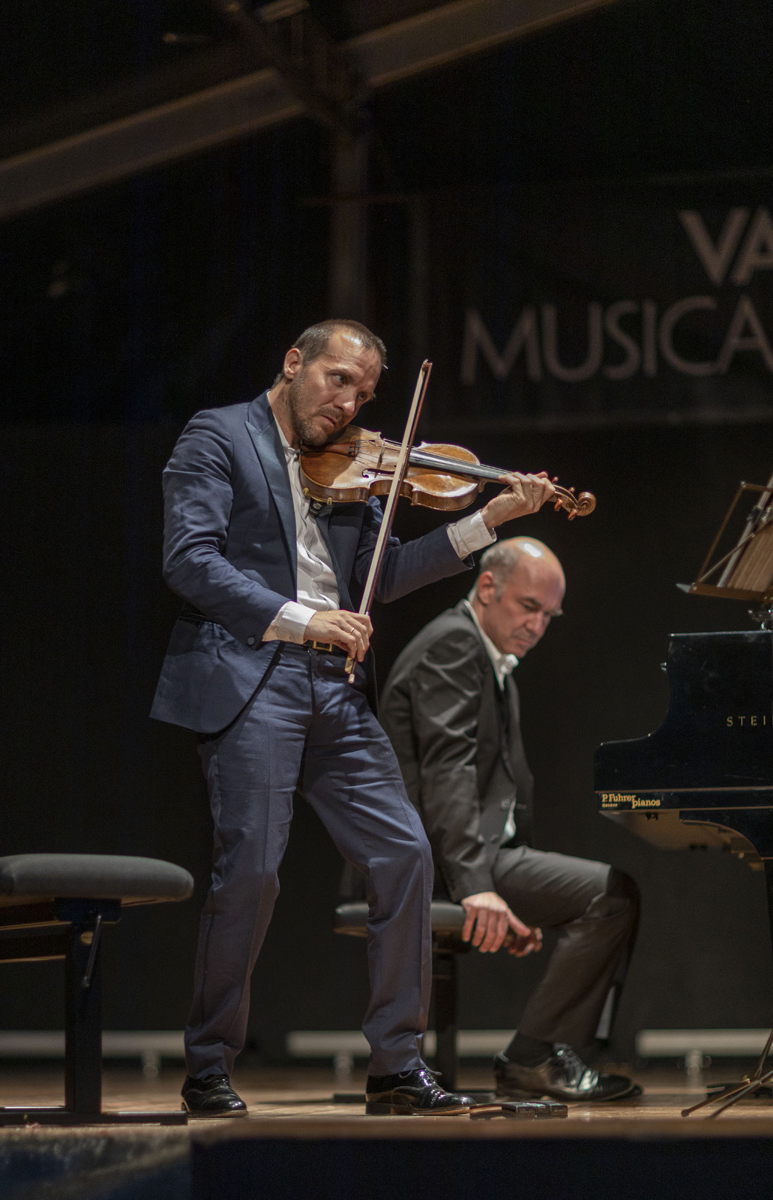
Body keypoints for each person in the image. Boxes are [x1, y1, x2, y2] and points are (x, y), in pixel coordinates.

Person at [151, 319, 556, 1117]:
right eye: (337, 380)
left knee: (404, 853)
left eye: (364, 394)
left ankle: (396, 1067)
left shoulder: (356, 467)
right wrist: (307, 619)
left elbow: (387, 571)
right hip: (255, 674)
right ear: (293, 361)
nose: (347, 404)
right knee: (253, 871)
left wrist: (490, 520)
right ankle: (208, 1064)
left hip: (333, 688)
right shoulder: (218, 436)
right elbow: (189, 560)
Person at [379, 536, 641, 1103]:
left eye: (549, 615)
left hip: (467, 852)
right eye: (529, 607)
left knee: (612, 894)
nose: (537, 626)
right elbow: (446, 774)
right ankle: (535, 1058)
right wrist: (478, 887)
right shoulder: (454, 645)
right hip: (433, 861)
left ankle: (543, 1053)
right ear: (487, 587)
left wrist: (519, 892)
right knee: (610, 895)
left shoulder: (488, 655)